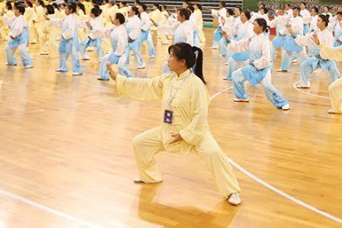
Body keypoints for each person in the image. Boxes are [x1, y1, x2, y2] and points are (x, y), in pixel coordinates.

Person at [107, 42, 242, 205]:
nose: (167, 59)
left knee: (214, 154)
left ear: (182, 62)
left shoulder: (196, 85)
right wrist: (119, 79)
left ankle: (232, 191)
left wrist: (184, 135)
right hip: (169, 130)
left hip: (195, 134)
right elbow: (146, 85)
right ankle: (151, 176)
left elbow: (201, 116)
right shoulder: (168, 80)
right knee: (140, 143)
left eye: (171, 56)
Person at [226, 18, 290, 110]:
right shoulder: (252, 37)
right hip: (252, 67)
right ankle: (242, 96)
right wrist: (229, 41)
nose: (253, 26)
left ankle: (282, 102)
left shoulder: (265, 41)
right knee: (236, 75)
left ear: (261, 27)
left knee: (267, 86)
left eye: (255, 25)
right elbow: (241, 45)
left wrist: (253, 63)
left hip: (264, 69)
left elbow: (266, 59)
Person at [295, 14, 340, 89]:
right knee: (304, 65)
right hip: (316, 58)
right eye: (317, 21)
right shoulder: (316, 32)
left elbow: (329, 49)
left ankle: (335, 86)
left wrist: (323, 53)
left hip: (327, 59)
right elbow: (307, 39)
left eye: (319, 21)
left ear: (324, 23)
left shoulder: (328, 35)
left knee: (333, 71)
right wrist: (297, 38)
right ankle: (304, 84)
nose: (317, 22)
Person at [100, 12, 132, 80]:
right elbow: (107, 32)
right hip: (116, 51)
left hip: (123, 53)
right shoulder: (115, 27)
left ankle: (130, 78)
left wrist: (117, 54)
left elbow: (122, 44)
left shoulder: (121, 30)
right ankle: (104, 76)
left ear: (117, 20)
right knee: (104, 59)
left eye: (114, 18)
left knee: (121, 66)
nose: (112, 19)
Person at [56, 3, 82, 75]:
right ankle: (63, 67)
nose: (65, 10)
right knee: (62, 53)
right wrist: (50, 19)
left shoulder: (71, 19)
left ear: (71, 10)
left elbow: (71, 30)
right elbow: (59, 22)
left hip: (70, 39)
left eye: (66, 9)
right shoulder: (66, 18)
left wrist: (64, 36)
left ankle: (77, 70)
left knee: (73, 55)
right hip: (65, 38)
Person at [6, 3, 34, 69]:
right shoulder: (16, 18)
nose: (14, 11)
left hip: (22, 36)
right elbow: (9, 23)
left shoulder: (22, 18)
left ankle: (28, 63)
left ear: (20, 11)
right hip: (16, 36)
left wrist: (13, 34)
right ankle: (11, 61)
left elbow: (18, 28)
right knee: (8, 48)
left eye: (16, 10)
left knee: (22, 49)